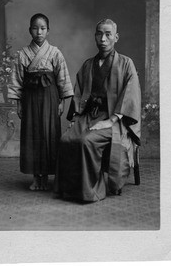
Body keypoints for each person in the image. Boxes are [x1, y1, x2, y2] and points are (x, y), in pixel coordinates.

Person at [54, 18, 141, 202]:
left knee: (86, 141)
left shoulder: (126, 63)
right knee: (66, 140)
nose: (103, 38)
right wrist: (75, 117)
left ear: (116, 37)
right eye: (99, 33)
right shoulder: (88, 65)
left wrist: (109, 121)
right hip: (88, 115)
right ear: (95, 36)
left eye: (108, 34)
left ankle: (91, 190)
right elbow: (78, 93)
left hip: (113, 119)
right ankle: (69, 190)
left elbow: (130, 95)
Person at [8, 13, 74, 191]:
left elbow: (63, 80)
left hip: (50, 99)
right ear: (30, 30)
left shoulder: (55, 52)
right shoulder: (22, 54)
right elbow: (17, 81)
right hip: (29, 99)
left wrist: (62, 102)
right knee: (32, 135)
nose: (39, 32)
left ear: (48, 31)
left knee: (48, 134)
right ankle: (36, 178)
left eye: (43, 28)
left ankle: (45, 176)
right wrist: (18, 104)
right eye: (35, 28)